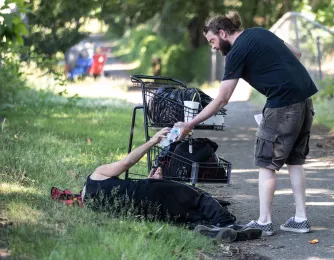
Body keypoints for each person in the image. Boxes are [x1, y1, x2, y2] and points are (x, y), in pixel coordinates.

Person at [175, 11, 318, 236]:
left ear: (223, 33)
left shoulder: (236, 52)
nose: (213, 47)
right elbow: (296, 53)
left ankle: (264, 222)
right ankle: (301, 219)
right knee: (295, 161)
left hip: (282, 104)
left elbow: (222, 98)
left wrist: (190, 123)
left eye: (212, 40)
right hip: (304, 99)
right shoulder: (259, 32)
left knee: (266, 164)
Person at [81, 127, 262, 242]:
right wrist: (153, 141)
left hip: (147, 212)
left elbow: (126, 202)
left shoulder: (93, 205)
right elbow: (126, 163)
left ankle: (206, 226)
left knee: (183, 212)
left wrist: (150, 180)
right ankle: (227, 223)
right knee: (197, 196)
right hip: (148, 192)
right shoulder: (96, 174)